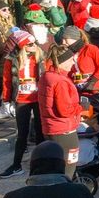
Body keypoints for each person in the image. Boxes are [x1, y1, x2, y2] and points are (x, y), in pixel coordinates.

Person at [0, 30, 44, 178]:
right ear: (22, 46)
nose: (34, 46)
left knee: (40, 131)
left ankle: (41, 164)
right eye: (30, 44)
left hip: (38, 98)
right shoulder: (11, 60)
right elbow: (6, 80)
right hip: (22, 99)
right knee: (22, 133)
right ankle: (16, 165)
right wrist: (6, 100)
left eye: (34, 43)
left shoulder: (41, 57)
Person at [38, 43, 83, 179]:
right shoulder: (60, 81)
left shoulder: (46, 76)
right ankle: (65, 194)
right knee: (69, 166)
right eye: (70, 60)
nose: (73, 61)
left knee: (55, 166)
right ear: (62, 62)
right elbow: (64, 110)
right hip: (64, 131)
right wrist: (80, 108)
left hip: (51, 129)